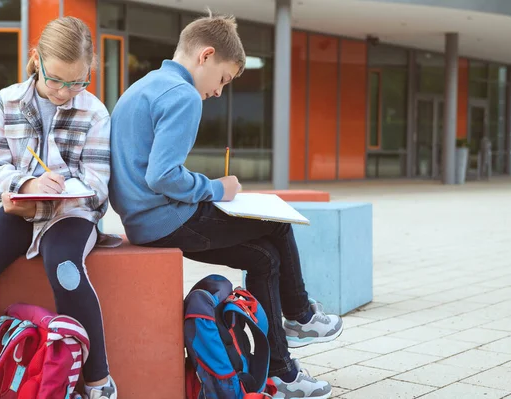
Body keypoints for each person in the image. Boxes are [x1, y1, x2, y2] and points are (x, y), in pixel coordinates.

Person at [109, 11, 343, 399]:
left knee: (264, 258)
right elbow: (162, 176)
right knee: (277, 222)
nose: (219, 92)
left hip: (142, 221)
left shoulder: (145, 85)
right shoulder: (183, 94)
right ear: (206, 55)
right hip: (167, 220)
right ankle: (301, 317)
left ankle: (280, 374)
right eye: (223, 79)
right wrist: (218, 188)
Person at [0, 16, 117, 399]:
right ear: (37, 61)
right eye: (55, 79)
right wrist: (23, 185)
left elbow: (96, 185)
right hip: (19, 210)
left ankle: (98, 382)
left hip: (72, 213)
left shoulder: (94, 112)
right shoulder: (5, 102)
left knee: (64, 268)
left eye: (77, 82)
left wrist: (58, 190)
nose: (64, 91)